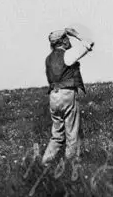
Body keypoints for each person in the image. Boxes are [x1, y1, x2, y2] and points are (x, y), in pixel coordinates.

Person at [41, 26, 95, 166]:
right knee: (72, 132)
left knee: (57, 135)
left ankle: (45, 162)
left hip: (53, 96)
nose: (69, 41)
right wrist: (77, 35)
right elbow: (89, 43)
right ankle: (72, 164)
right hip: (67, 94)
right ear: (63, 41)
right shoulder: (67, 55)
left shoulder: (48, 59)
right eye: (67, 38)